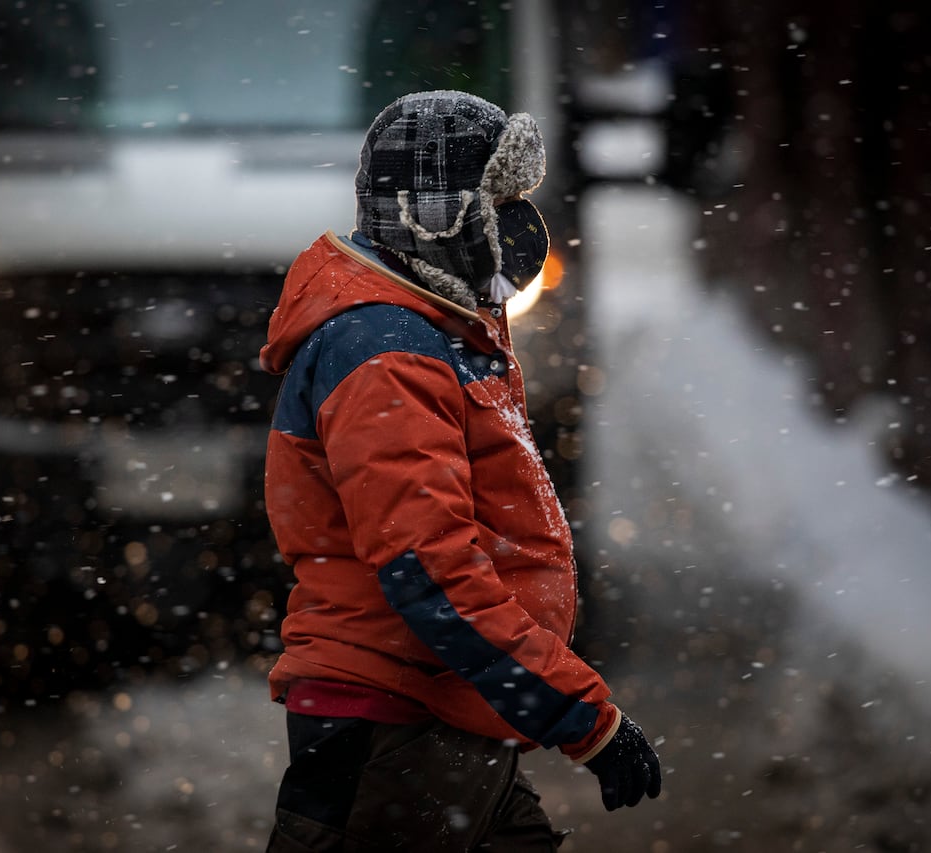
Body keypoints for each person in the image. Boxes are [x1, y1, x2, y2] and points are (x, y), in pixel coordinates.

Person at [260, 90, 661, 852]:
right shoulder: (387, 351)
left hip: (439, 711)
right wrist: (583, 719)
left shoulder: (432, 328)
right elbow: (430, 568)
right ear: (434, 214)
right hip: (393, 728)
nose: (518, 228)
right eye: (497, 202)